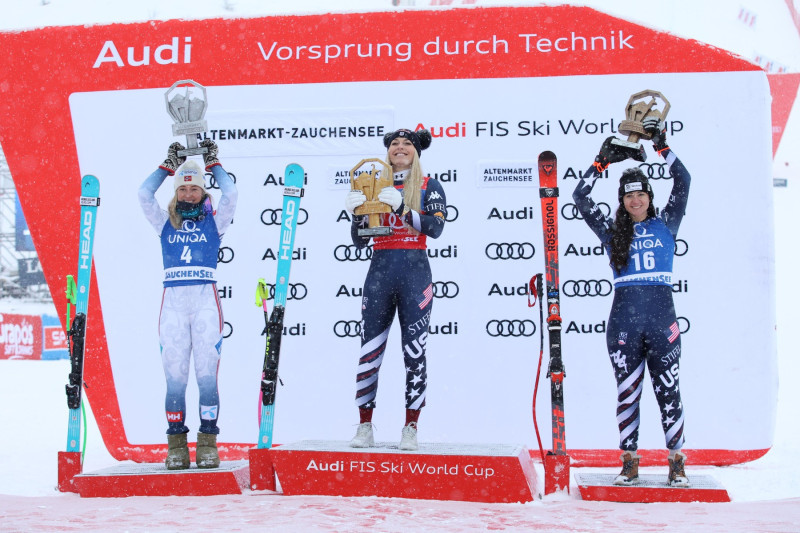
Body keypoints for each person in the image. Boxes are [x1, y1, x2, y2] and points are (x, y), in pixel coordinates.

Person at [572, 117, 691, 487]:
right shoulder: (612, 232)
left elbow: (683, 180)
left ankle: (677, 462)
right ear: (622, 201)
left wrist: (661, 145)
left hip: (662, 320)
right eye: (628, 196)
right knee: (628, 394)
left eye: (640, 194)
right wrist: (600, 163)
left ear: (649, 197)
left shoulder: (667, 223)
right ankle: (629, 461)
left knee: (668, 390)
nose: (635, 200)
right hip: (624, 321)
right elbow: (580, 197)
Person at [344, 128, 447, 451]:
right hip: (380, 272)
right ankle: (364, 426)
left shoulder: (429, 185)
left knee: (414, 352)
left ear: (416, 152)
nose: (399, 148)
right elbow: (360, 241)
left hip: (415, 274)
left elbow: (436, 228)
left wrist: (402, 208)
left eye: (407, 144)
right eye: (394, 144)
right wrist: (355, 216)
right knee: (369, 351)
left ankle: (411, 427)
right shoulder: (371, 183)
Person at [138, 139, 237, 470]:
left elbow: (231, 194)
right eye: (183, 189)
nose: (189, 194)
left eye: (195, 189)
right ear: (176, 192)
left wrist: (213, 163)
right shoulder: (164, 222)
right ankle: (176, 445)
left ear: (203, 192)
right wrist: (167, 167)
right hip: (174, 305)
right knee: (175, 378)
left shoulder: (215, 221)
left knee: (206, 375)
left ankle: (208, 441)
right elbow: (143, 194)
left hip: (205, 301)